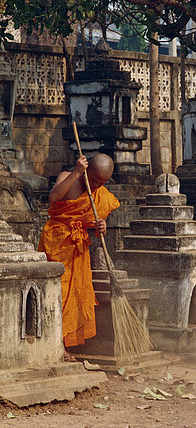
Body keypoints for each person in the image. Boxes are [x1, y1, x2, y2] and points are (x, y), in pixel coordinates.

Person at [38, 153, 120, 361]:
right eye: (93, 180)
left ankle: (64, 345)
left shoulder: (101, 194)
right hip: (57, 243)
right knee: (59, 291)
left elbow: (94, 222)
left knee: (75, 295)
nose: (96, 186)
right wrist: (76, 173)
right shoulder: (69, 176)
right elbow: (54, 198)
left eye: (102, 183)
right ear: (87, 171)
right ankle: (55, 343)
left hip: (78, 249)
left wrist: (101, 226)